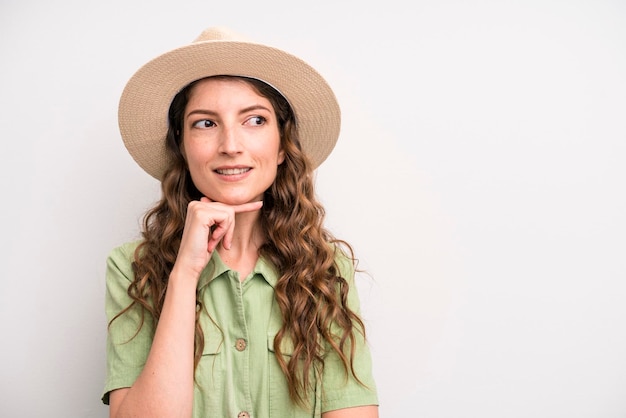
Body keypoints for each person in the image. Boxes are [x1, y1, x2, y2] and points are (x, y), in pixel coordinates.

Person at [102, 26, 379, 418]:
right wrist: (185, 272)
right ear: (181, 146)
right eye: (205, 123)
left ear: (283, 146)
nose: (231, 145)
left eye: (254, 120)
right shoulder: (132, 268)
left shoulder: (328, 270)